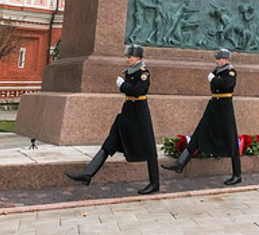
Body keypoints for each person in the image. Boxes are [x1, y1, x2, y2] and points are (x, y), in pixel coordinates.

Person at [66, 44, 159, 194]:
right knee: (110, 143)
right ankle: (88, 174)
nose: (128, 59)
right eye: (128, 56)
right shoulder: (129, 72)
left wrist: (122, 85)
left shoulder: (143, 73)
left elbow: (137, 91)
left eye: (130, 56)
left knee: (149, 148)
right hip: (127, 112)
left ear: (139, 58)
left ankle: (155, 183)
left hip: (139, 114)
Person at [161, 48, 242, 185]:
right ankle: (180, 163)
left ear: (226, 59)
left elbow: (227, 85)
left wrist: (214, 80)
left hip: (224, 108)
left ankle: (237, 174)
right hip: (213, 106)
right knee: (199, 133)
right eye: (216, 58)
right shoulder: (217, 71)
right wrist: (215, 78)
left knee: (231, 139)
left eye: (219, 59)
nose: (217, 61)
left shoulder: (230, 72)